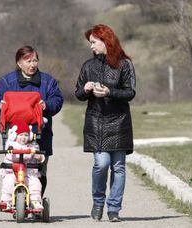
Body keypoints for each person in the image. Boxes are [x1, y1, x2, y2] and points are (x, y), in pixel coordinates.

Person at [74, 24, 136, 222]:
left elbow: (130, 92)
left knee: (118, 167)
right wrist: (85, 89)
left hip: (119, 122)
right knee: (102, 164)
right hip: (96, 122)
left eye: (94, 42)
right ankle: (98, 202)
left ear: (105, 41)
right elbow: (78, 94)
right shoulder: (87, 66)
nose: (91, 46)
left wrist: (110, 91)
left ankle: (114, 209)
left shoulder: (124, 65)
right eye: (90, 43)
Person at [0, 45, 63, 195]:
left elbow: (58, 100)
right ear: (19, 63)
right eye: (28, 61)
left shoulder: (47, 81)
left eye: (35, 60)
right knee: (13, 169)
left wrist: (46, 105)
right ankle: (16, 200)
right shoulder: (7, 81)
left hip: (40, 134)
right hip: (14, 134)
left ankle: (36, 201)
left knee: (38, 170)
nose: (32, 64)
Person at [0, 119, 45, 210]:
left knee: (35, 183)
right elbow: (10, 156)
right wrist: (11, 152)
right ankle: (6, 201)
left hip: (28, 173)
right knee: (8, 181)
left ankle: (35, 201)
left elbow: (40, 157)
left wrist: (38, 156)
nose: (23, 137)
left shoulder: (32, 146)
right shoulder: (11, 145)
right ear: (15, 136)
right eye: (21, 135)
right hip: (13, 172)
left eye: (26, 135)